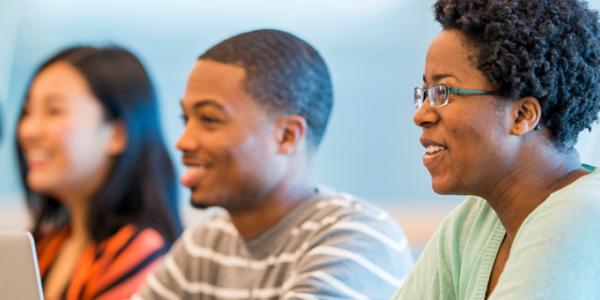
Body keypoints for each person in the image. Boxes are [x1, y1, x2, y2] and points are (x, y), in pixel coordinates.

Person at [134, 29, 413, 300]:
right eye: (186, 120)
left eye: (209, 119)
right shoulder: (206, 243)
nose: (184, 141)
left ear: (286, 136)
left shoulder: (358, 237)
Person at [394, 0, 600, 299]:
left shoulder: (583, 214)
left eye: (443, 92)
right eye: (425, 94)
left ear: (522, 115)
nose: (421, 115)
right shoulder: (473, 222)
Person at [16, 46, 182, 300]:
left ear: (117, 134)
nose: (29, 130)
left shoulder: (137, 252)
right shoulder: (47, 245)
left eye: (53, 111)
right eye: (28, 111)